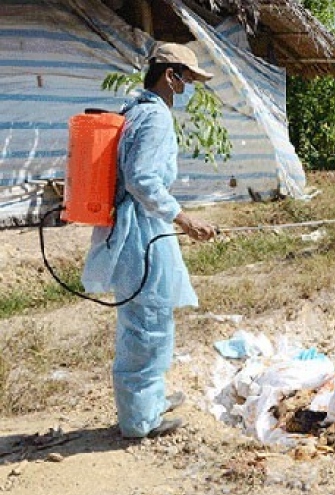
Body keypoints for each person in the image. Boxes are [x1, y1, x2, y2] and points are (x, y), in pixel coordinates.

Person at [82, 43, 217, 438]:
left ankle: (149, 399)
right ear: (169, 75)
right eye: (186, 79)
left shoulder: (135, 110)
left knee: (145, 319)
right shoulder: (155, 117)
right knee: (148, 323)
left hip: (137, 228)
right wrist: (185, 218)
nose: (187, 87)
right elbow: (142, 179)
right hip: (141, 231)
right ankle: (141, 420)